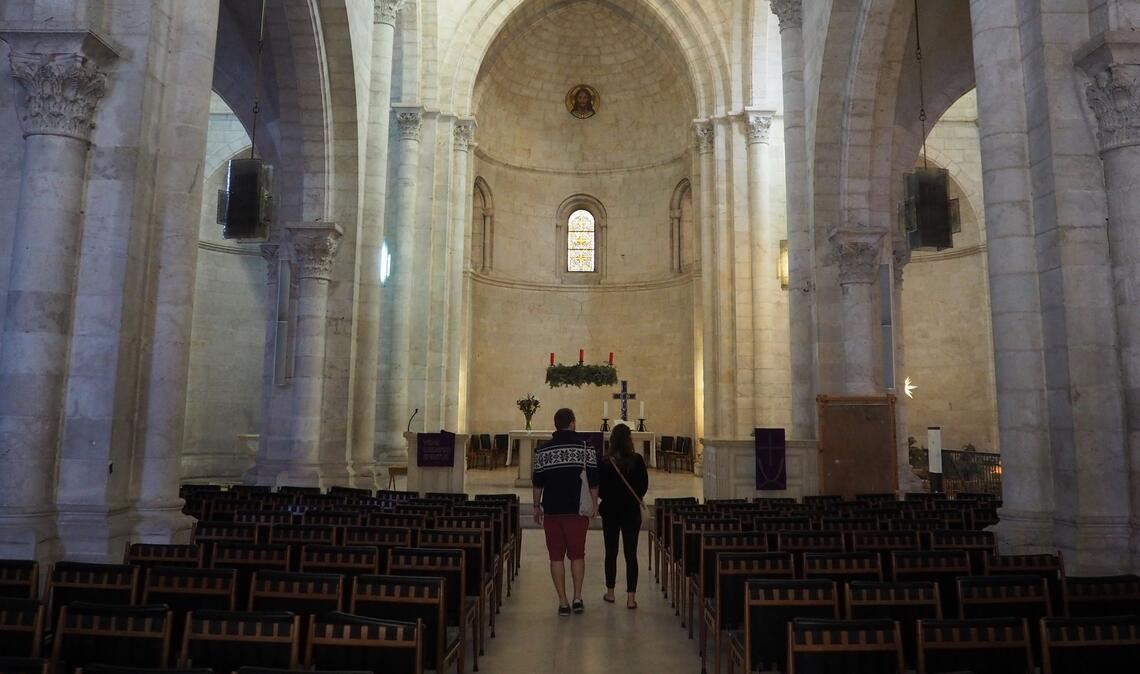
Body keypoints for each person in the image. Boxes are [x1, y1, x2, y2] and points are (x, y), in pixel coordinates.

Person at [532, 407, 599, 616]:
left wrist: (536, 506)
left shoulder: (542, 451)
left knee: (556, 558)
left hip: (552, 511)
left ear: (555, 424)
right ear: (572, 423)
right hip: (577, 511)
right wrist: (594, 505)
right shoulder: (587, 449)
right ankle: (577, 598)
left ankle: (562, 602)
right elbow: (594, 482)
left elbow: (537, 483)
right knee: (578, 555)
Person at [598, 421, 649, 609]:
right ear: (629, 440)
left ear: (612, 440)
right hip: (631, 512)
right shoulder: (637, 460)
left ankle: (610, 593)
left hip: (610, 511)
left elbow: (600, 490)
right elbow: (643, 486)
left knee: (611, 553)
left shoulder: (605, 462)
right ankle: (631, 598)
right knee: (631, 555)